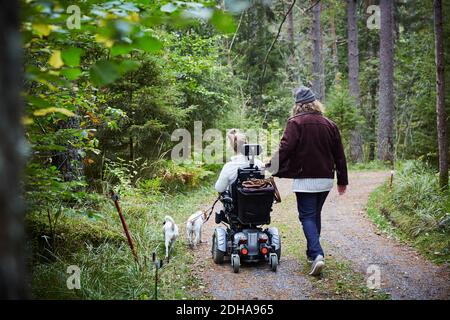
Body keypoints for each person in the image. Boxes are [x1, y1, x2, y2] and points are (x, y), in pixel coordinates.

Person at [268, 86, 348, 276]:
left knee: (307, 216)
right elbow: (340, 156)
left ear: (297, 105)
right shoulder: (330, 124)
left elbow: (286, 148)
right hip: (326, 179)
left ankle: (318, 254)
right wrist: (342, 180)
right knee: (314, 214)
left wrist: (270, 167)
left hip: (305, 179)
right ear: (315, 103)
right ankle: (312, 254)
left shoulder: (295, 123)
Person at [215, 129, 264, 193]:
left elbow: (219, 189)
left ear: (232, 146)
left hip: (237, 202)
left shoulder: (229, 166)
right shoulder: (259, 164)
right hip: (259, 201)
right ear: (247, 145)